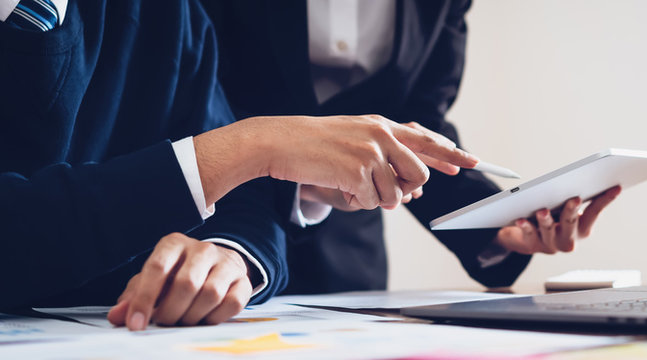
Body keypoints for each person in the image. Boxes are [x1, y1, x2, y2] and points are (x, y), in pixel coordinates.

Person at [0, 0, 475, 330]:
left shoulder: (172, 15)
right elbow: (228, 153)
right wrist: (253, 147)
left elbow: (239, 191)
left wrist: (230, 253)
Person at [200, 0, 622, 294]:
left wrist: (495, 226)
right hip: (206, 235)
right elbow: (194, 98)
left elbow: (418, 129)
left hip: (349, 258)